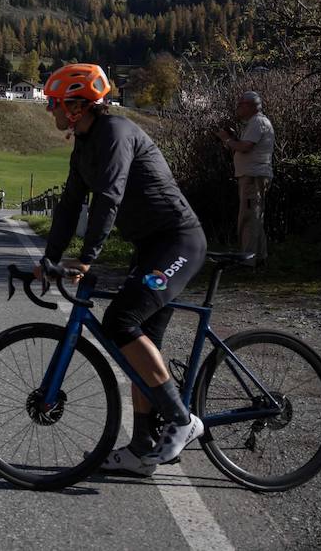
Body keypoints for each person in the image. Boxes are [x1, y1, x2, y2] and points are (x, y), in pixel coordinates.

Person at [39, 63, 207, 476]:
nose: (50, 111)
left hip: (177, 242)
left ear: (76, 106)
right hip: (150, 249)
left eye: (53, 103)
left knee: (121, 320)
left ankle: (183, 420)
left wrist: (88, 256)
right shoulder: (83, 145)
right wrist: (49, 256)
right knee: (138, 343)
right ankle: (142, 446)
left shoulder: (115, 133)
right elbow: (69, 205)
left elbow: (108, 198)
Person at [217, 91, 274, 265]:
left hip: (253, 177)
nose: (238, 107)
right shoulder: (256, 123)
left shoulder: (257, 122)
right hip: (253, 175)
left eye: (241, 104)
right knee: (256, 217)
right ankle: (260, 257)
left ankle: (246, 261)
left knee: (249, 218)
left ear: (249, 105)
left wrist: (227, 139)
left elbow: (245, 147)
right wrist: (234, 138)